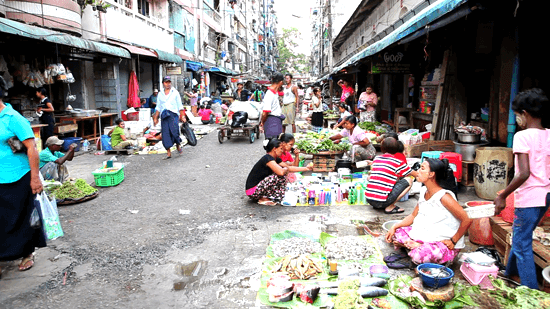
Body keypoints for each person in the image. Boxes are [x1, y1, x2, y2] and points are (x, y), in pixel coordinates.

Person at [494, 88, 550, 290]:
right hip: (546, 197)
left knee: (521, 244)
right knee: (521, 237)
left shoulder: (523, 136)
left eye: (517, 114)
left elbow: (523, 173)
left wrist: (503, 195)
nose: (517, 118)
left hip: (529, 197)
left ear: (524, 113)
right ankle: (509, 273)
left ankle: (531, 292)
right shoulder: (549, 135)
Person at [384, 159, 472, 267]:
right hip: (426, 236)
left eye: (422, 168)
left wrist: (453, 241)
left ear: (431, 174)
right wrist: (394, 227)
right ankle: (414, 246)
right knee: (396, 232)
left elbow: (467, 219)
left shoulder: (444, 197)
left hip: (443, 243)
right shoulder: (424, 191)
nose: (418, 171)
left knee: (420, 255)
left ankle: (414, 248)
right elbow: (413, 216)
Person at [0, 78, 47, 274]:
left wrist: (35, 178)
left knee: (21, 218)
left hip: (18, 176)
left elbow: (32, 148)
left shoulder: (13, 118)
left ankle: (27, 253)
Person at [245, 139, 312, 206]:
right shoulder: (267, 158)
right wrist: (285, 169)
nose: (282, 151)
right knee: (279, 176)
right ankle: (263, 197)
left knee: (284, 174)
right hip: (252, 191)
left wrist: (306, 168)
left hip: (258, 187)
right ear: (274, 149)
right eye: (281, 149)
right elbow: (281, 172)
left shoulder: (275, 158)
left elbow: (289, 168)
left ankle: (267, 196)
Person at [365, 137, 417, 214]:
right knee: (409, 180)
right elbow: (414, 174)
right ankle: (390, 207)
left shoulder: (376, 158)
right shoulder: (397, 162)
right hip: (382, 202)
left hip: (369, 199)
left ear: (382, 148)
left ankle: (379, 204)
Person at [154, 76, 185, 159]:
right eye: (166, 82)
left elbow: (180, 105)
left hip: (173, 115)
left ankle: (178, 145)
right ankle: (168, 152)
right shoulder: (160, 94)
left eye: (169, 82)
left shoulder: (175, 92)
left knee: (174, 131)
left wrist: (183, 116)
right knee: (165, 134)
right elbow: (158, 107)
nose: (168, 84)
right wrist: (155, 118)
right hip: (164, 116)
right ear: (163, 83)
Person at [260, 73, 286, 139]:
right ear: (280, 82)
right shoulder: (270, 94)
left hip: (275, 121)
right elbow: (265, 112)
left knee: (276, 143)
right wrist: (262, 122)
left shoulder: (274, 92)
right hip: (272, 122)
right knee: (273, 144)